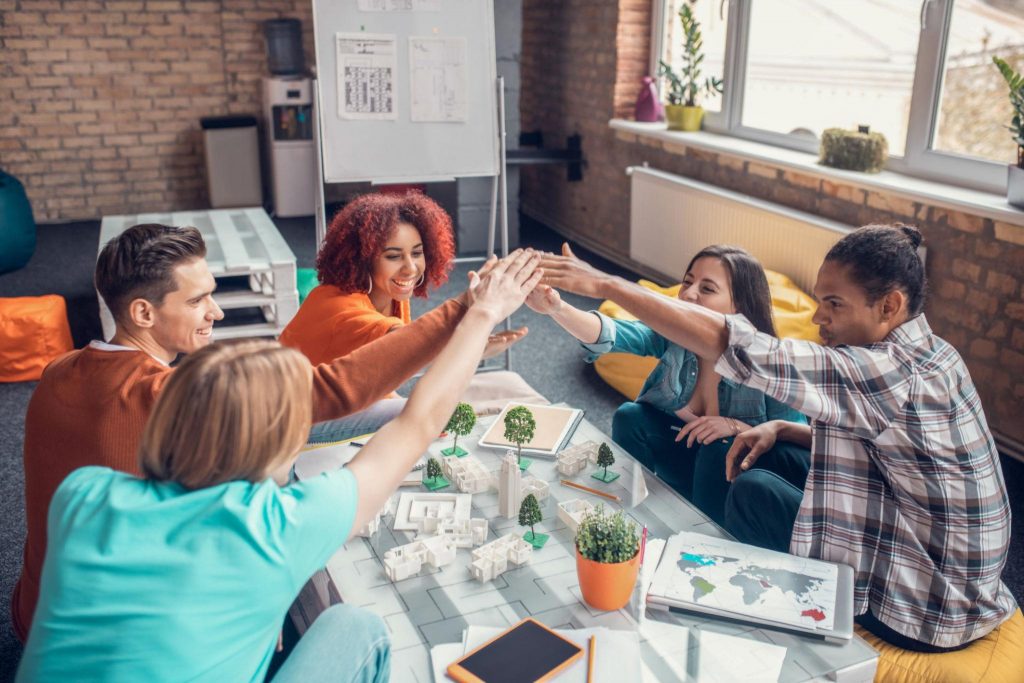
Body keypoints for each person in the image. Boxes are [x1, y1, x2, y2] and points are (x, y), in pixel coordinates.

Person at [16, 247, 542, 681]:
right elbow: (416, 422)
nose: (217, 313)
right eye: (200, 300)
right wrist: (474, 312)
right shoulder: (272, 525)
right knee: (359, 627)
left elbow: (402, 416)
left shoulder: (81, 486)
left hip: (39, 616)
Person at [539, 225, 1017, 652]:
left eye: (834, 304)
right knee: (761, 453)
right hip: (956, 580)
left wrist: (603, 283)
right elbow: (888, 447)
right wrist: (781, 428)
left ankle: (725, 618)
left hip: (923, 606)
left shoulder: (882, 372)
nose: (816, 319)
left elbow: (738, 346)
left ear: (889, 305)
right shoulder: (934, 354)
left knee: (753, 491)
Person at [526, 244, 807, 524]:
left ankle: (706, 535)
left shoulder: (770, 363)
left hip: (737, 483)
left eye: (707, 289)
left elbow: (795, 443)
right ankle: (631, 514)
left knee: (718, 444)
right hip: (685, 462)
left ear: (740, 306)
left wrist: (736, 427)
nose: (688, 293)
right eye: (688, 282)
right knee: (630, 416)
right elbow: (613, 333)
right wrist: (556, 307)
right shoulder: (675, 336)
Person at [280, 192, 528, 442]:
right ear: (362, 260)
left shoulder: (391, 297)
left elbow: (379, 368)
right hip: (289, 423)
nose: (410, 267)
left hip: (334, 402)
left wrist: (470, 343)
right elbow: (404, 344)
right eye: (393, 256)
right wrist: (472, 324)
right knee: (430, 414)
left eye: (417, 253)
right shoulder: (338, 307)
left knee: (425, 411)